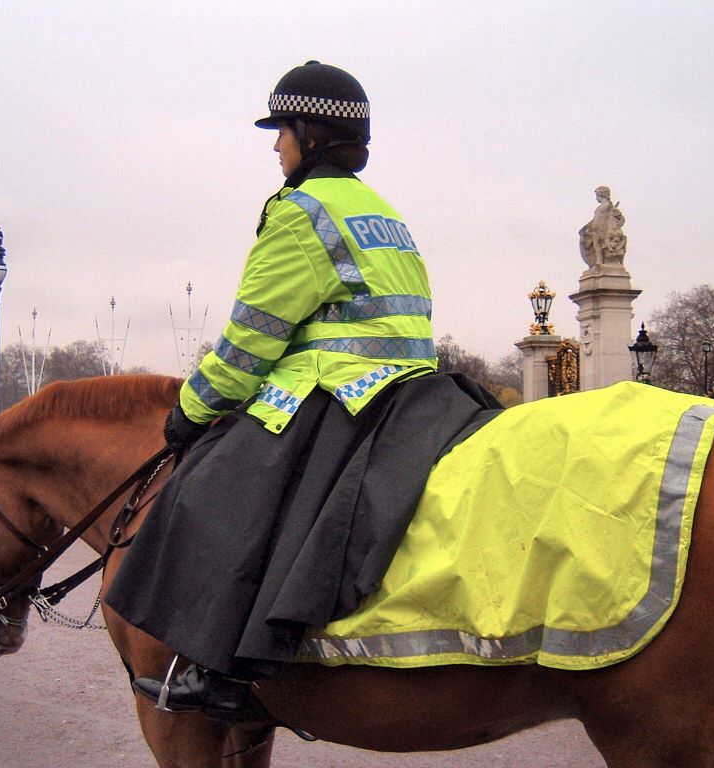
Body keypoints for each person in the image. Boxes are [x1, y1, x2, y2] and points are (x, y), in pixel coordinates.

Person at [104, 60, 501, 721]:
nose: (276, 147)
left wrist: (189, 412)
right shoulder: (383, 213)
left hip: (341, 392)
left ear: (310, 136)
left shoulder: (300, 214)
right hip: (416, 393)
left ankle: (219, 669)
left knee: (211, 488)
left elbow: (248, 343)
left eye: (281, 131)